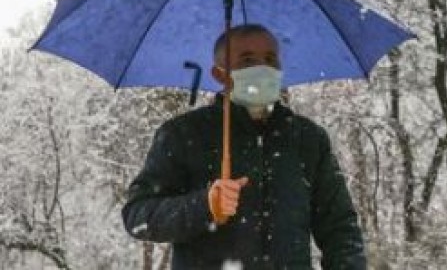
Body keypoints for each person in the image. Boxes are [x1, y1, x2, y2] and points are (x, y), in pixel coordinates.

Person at [122, 23, 367, 269]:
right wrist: (204, 206)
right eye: (247, 61)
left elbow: (339, 228)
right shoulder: (183, 134)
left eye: (271, 60)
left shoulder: (307, 139)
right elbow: (138, 215)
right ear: (219, 74)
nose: (263, 69)